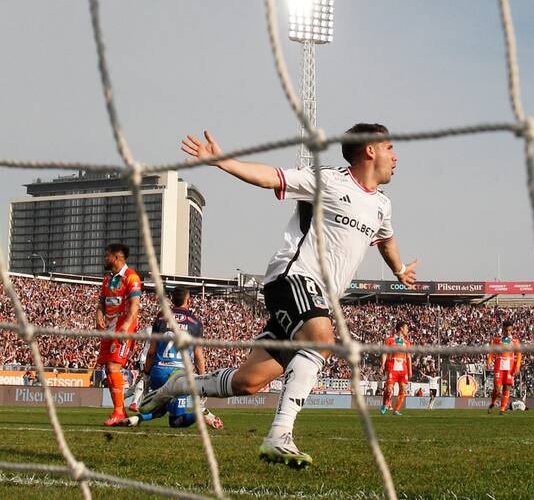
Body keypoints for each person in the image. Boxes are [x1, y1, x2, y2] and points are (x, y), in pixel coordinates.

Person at [141, 124, 417, 468]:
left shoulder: (381, 205)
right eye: (390, 147)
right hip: (294, 278)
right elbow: (271, 177)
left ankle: (177, 387)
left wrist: (399, 269)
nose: (396, 156)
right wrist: (221, 161)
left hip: (317, 298)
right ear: (370, 150)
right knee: (321, 339)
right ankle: (279, 436)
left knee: (247, 383)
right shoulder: (329, 180)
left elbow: (386, 240)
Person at [124, 287, 222, 429]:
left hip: (159, 373)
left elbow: (151, 352)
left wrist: (145, 374)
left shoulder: (161, 317)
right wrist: (202, 381)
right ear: (189, 300)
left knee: (161, 406)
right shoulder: (195, 323)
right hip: (179, 377)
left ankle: (135, 419)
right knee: (176, 421)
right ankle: (201, 413)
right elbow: (198, 356)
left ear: (173, 300)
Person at [96, 243, 142, 426]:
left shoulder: (131, 277)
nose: (105, 258)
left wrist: (125, 328)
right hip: (109, 329)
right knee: (108, 368)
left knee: (113, 366)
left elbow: (134, 306)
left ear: (116, 257)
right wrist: (98, 316)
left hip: (123, 330)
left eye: (107, 255)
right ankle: (120, 411)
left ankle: (118, 412)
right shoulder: (107, 279)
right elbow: (101, 303)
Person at [487, 321, 521, 415]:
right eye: (506, 330)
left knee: (507, 388)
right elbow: (492, 352)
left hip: (510, 366)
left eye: (510, 330)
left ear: (512, 330)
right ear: (503, 330)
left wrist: (517, 367)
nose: (508, 332)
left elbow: (519, 355)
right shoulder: (497, 340)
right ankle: (493, 403)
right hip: (499, 365)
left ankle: (502, 409)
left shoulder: (515, 341)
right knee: (497, 389)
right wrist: (489, 361)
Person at [380, 321, 412, 416]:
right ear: (401, 328)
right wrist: (382, 364)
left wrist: (410, 369)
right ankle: (385, 404)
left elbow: (409, 357)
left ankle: (396, 410)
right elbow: (385, 353)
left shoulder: (407, 342)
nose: (407, 330)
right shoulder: (390, 340)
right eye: (406, 328)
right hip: (392, 367)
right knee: (389, 389)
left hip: (403, 368)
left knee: (403, 389)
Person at [126, 325, 152, 412]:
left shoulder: (150, 329)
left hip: (152, 359)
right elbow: (137, 336)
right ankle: (135, 403)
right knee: (144, 380)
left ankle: (121, 399)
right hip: (145, 359)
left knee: (141, 383)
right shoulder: (150, 329)